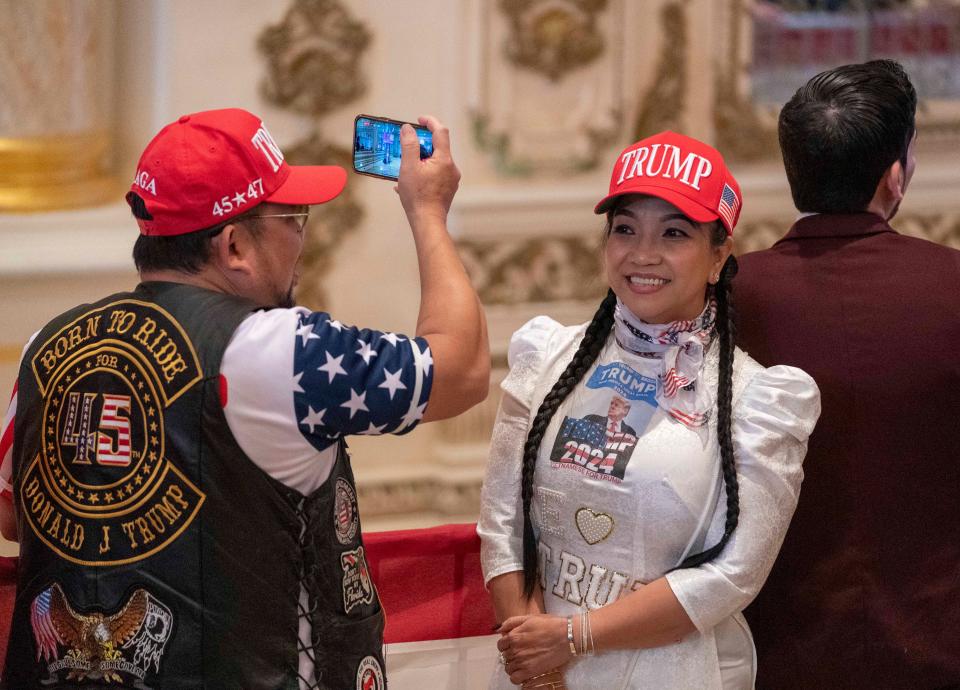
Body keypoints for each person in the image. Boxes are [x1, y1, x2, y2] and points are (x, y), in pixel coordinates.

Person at [0, 108, 489, 689]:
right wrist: (428, 211)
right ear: (234, 246)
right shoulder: (272, 350)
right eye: (294, 218)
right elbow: (461, 370)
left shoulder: (47, 344)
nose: (301, 238)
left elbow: (13, 515)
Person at [477, 131, 821, 689]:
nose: (643, 253)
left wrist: (571, 638)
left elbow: (734, 575)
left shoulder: (760, 400)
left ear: (719, 256)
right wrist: (537, 668)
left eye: (675, 233)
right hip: (532, 674)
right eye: (625, 229)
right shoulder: (546, 358)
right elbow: (500, 523)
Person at [735, 60, 960, 689]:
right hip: (938, 645)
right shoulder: (954, 285)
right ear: (895, 175)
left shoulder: (725, 294)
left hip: (771, 652)